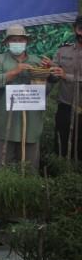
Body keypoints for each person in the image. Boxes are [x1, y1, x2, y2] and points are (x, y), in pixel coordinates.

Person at [0, 24, 59, 169]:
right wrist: (14, 72)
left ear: (26, 42)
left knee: (29, 167)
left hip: (31, 123)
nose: (17, 43)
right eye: (14, 40)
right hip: (5, 122)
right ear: (7, 43)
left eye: (21, 40)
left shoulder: (36, 61)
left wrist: (51, 70)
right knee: (0, 167)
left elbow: (50, 81)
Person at [50, 15, 81, 160]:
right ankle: (60, 176)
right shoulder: (63, 50)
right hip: (66, 106)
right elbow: (54, 77)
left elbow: (64, 76)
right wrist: (50, 70)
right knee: (61, 146)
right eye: (80, 29)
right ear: (75, 29)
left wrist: (66, 76)